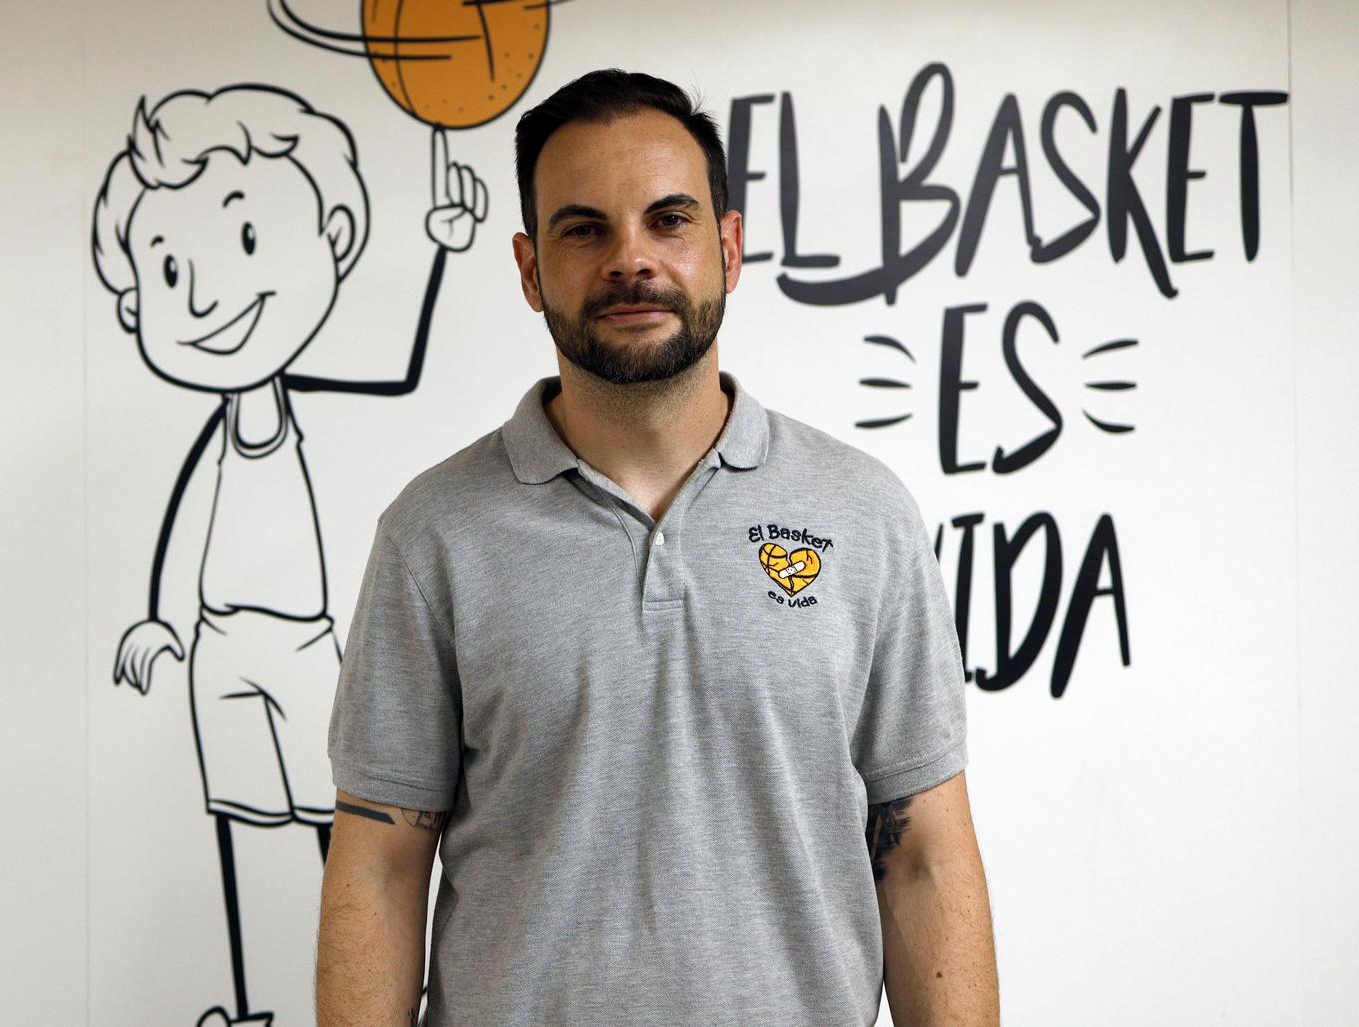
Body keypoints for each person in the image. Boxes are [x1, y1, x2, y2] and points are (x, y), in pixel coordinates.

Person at [315, 69, 997, 1026]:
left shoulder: (862, 513)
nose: (630, 259)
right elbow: (380, 867)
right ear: (527, 267)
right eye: (584, 228)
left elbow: (925, 855)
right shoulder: (436, 533)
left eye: (668, 220)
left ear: (727, 246)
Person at [92, 84, 486, 1027]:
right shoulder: (217, 433)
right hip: (218, 653)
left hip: (308, 649)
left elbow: (399, 366)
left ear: (338, 233)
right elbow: (190, 524)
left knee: (342, 836)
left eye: (248, 243)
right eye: (170, 271)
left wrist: (438, 247)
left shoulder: (316, 405)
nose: (207, 296)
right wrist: (159, 614)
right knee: (242, 831)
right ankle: (259, 1002)